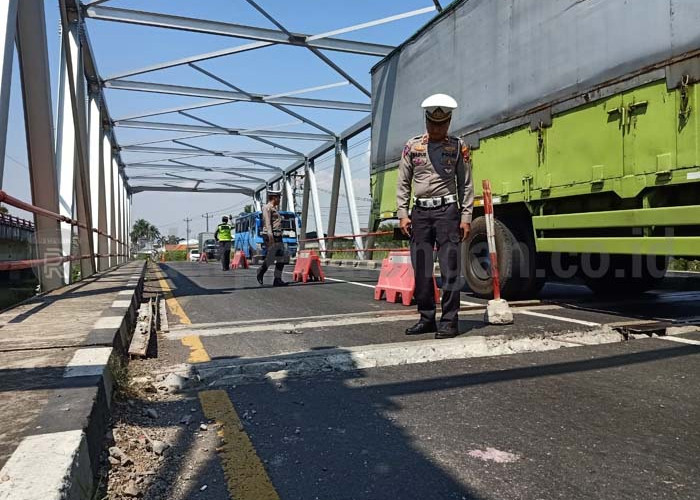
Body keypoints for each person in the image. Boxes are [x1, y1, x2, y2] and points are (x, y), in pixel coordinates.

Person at [396, 93, 474, 339]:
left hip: (448, 212)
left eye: (442, 124)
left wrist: (466, 217)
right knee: (421, 268)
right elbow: (403, 182)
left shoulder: (458, 146)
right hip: (419, 214)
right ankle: (426, 317)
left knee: (450, 269)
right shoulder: (413, 146)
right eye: (433, 123)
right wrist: (402, 213)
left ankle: (450, 321)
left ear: (449, 122)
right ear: (426, 121)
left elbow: (466, 184)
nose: (438, 128)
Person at [256, 190, 288, 287]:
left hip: (278, 236)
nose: (279, 200)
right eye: (279, 198)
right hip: (271, 236)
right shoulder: (267, 208)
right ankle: (261, 271)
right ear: (274, 198)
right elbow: (267, 223)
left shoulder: (275, 208)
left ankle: (277, 279)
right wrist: (271, 238)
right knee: (271, 258)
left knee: (281, 258)